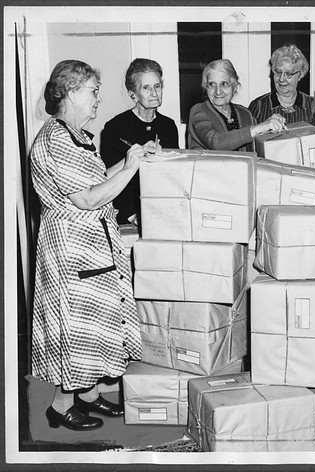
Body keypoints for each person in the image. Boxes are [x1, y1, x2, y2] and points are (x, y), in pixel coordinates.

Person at [30, 60, 145, 430]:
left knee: (94, 323)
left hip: (90, 244)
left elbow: (95, 182)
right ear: (71, 92)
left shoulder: (76, 135)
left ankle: (89, 396)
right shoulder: (56, 139)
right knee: (75, 325)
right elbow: (88, 199)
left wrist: (130, 160)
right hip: (71, 248)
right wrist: (130, 168)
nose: (98, 99)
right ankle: (61, 406)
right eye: (93, 91)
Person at [100, 58, 179, 226]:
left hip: (162, 210)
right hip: (125, 214)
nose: (154, 93)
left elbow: (173, 175)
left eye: (157, 86)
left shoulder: (168, 126)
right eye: (146, 88)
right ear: (132, 94)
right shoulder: (115, 127)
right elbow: (107, 179)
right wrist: (131, 215)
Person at [187, 59, 287, 151]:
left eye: (224, 84)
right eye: (212, 84)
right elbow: (215, 142)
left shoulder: (244, 113)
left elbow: (256, 143)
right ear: (206, 87)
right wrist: (259, 128)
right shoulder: (199, 111)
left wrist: (272, 125)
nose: (218, 92)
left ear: (234, 87)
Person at [249, 43, 315, 127]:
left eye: (288, 74)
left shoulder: (311, 104)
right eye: (278, 72)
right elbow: (250, 134)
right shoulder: (259, 105)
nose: (281, 79)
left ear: (300, 75)